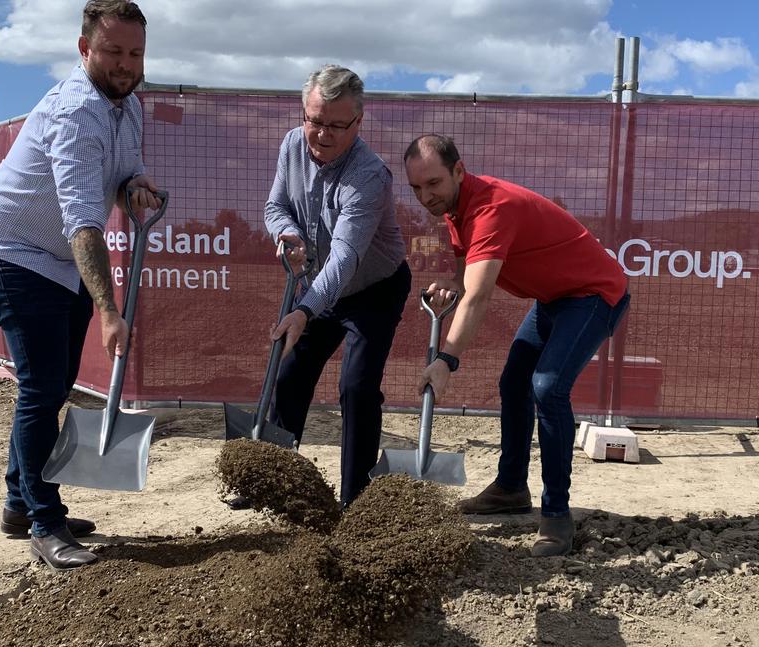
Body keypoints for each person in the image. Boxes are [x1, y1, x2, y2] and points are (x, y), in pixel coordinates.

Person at [0, 0, 163, 570]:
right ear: (84, 49)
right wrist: (109, 311)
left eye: (136, 53)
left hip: (58, 259)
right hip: (13, 253)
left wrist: (135, 185)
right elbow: (83, 224)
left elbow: (121, 174)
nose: (126, 64)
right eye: (113, 51)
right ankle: (44, 522)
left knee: (51, 386)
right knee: (42, 387)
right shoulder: (76, 112)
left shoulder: (128, 105)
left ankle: (19, 504)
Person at [403, 134, 630, 557]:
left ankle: (556, 515)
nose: (425, 196)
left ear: (458, 170)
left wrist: (446, 360)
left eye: (433, 183)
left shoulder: (492, 208)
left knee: (548, 387)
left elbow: (479, 296)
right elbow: (465, 268)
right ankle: (510, 488)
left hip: (594, 295)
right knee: (514, 382)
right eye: (416, 188)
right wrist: (452, 280)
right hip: (554, 298)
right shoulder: (456, 207)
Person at [263, 65, 410, 509]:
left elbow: (345, 257)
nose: (322, 134)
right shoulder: (292, 144)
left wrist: (304, 310)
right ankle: (276, 482)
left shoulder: (369, 175)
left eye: (336, 125)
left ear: (358, 122)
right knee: (290, 374)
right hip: (320, 285)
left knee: (356, 386)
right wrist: (287, 232)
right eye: (315, 120)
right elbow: (275, 206)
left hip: (374, 289)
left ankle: (356, 500)